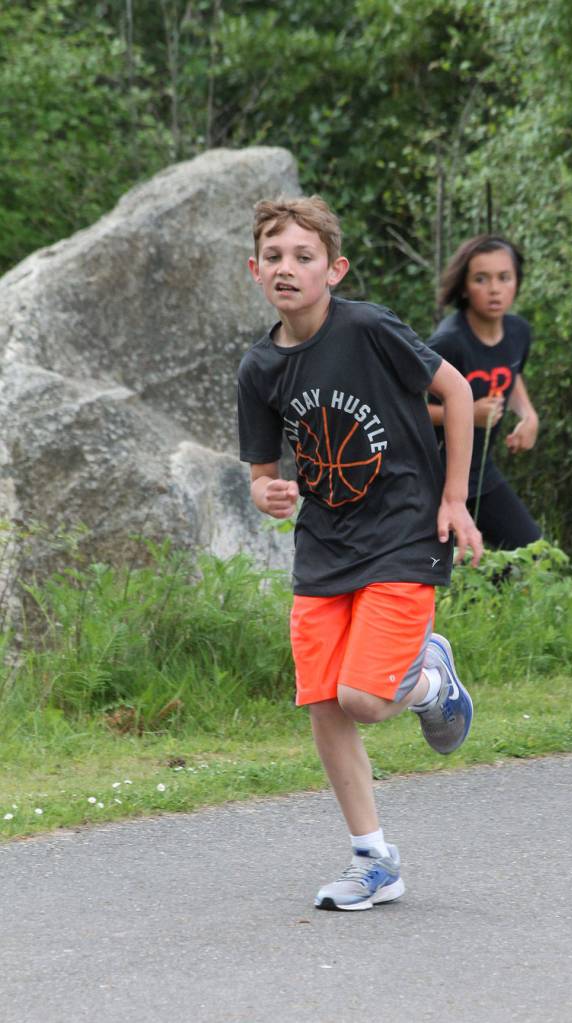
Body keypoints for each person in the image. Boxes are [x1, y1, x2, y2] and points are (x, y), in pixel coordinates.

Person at [237, 195, 483, 910]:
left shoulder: (368, 328)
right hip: (324, 545)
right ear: (255, 271)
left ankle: (430, 679)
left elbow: (456, 390)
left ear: (333, 270)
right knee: (323, 701)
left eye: (303, 256)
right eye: (274, 257)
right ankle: (373, 858)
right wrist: (268, 495)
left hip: (403, 531)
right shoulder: (259, 369)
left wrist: (454, 497)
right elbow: (259, 476)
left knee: (364, 699)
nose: (288, 268)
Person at [427, 235, 541, 551]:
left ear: (516, 281)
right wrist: (467, 413)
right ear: (464, 286)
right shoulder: (447, 343)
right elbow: (401, 408)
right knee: (442, 571)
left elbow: (510, 371)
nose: (494, 289)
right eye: (481, 279)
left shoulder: (518, 332)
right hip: (432, 478)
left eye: (504, 277)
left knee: (527, 552)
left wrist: (528, 415)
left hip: (481, 472)